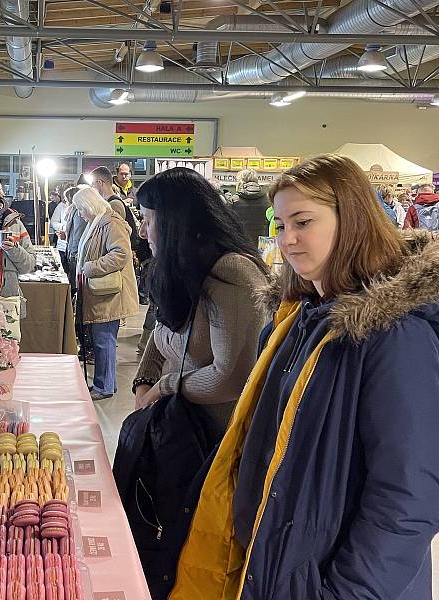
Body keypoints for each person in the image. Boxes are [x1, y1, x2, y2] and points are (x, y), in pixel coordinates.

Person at [169, 154, 439, 600]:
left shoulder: (395, 337)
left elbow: (407, 497)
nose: (288, 239)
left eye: (303, 222)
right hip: (277, 562)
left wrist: (346, 592)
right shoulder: (296, 320)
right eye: (280, 225)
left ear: (351, 221)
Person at [133, 168, 269, 433]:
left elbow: (229, 378)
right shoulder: (183, 269)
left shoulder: (232, 273)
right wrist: (144, 381)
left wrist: (163, 387)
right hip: (176, 426)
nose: (141, 231)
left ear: (175, 222)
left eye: (148, 220)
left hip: (213, 440)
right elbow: (164, 329)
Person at [73, 187, 139, 400]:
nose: (80, 213)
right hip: (101, 293)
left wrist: (91, 267)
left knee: (104, 340)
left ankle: (104, 387)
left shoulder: (111, 223)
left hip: (109, 294)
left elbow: (121, 254)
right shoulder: (99, 222)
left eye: (81, 209)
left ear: (89, 205)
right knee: (103, 339)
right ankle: (106, 383)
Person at [0, 171, 35, 317]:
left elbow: (29, 265)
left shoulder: (14, 222)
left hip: (6, 299)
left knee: (7, 339)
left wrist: (14, 249)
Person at [230, 169, 270, 245]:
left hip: (240, 245)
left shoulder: (233, 201)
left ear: (240, 182)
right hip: (263, 245)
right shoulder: (268, 200)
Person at [51, 186, 74, 275]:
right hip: (63, 245)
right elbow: (54, 222)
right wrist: (64, 227)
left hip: (72, 248)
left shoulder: (79, 210)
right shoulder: (61, 206)